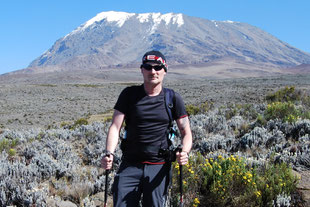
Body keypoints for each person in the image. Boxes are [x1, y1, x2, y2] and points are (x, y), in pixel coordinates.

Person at [101, 50, 192, 207]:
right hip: (130, 164)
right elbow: (115, 127)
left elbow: (186, 132)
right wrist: (109, 153)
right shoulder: (129, 95)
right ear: (141, 69)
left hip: (159, 166)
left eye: (157, 67)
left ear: (165, 70)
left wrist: (184, 152)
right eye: (148, 67)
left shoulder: (173, 98)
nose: (153, 71)